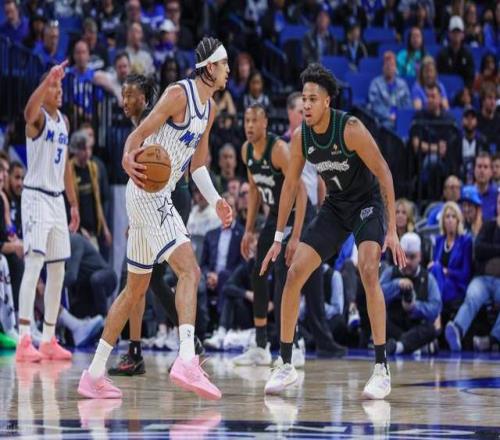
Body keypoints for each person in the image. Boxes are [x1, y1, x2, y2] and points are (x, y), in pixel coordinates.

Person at [77, 37, 232, 400]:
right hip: (149, 193)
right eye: (224, 64)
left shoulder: (208, 109)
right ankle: (187, 359)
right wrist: (126, 156)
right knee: (190, 271)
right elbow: (139, 132)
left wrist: (216, 200)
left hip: (156, 193)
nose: (228, 70)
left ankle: (93, 374)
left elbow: (198, 166)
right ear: (210, 67)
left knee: (135, 290)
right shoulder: (179, 94)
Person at [260, 63, 405, 398]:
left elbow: (383, 171)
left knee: (368, 270)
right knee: (294, 273)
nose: (306, 105)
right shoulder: (301, 137)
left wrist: (392, 231)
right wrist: (279, 238)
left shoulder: (350, 128)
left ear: (327, 101)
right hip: (337, 206)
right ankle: (285, 364)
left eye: (313, 99)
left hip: (367, 203)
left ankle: (381, 368)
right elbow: (290, 186)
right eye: (304, 99)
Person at [15, 60, 80, 363]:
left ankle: (49, 338)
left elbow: (65, 166)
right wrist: (46, 81)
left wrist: (73, 203)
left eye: (60, 86)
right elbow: (27, 112)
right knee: (34, 264)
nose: (59, 91)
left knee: (58, 269)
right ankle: (24, 337)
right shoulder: (37, 118)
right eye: (55, 86)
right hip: (36, 197)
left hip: (56, 201)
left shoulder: (63, 121)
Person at [445, 190, 500, 352]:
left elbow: (484, 250)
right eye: (499, 203)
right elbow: (479, 249)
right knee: (472, 296)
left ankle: (492, 339)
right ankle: (457, 329)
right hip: (482, 278)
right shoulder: (489, 225)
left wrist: (492, 251)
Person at [382, 232, 442, 355]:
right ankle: (416, 347)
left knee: (430, 328)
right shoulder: (390, 272)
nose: (408, 261)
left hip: (416, 325)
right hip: (394, 325)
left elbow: (436, 307)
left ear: (420, 256)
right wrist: (396, 285)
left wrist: (415, 307)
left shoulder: (428, 278)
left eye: (412, 257)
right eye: (404, 256)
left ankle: (400, 346)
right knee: (380, 320)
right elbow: (377, 294)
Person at [428, 202, 472, 325]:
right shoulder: (439, 241)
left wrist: (447, 271)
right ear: (443, 221)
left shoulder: (465, 241)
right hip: (441, 282)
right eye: (447, 217)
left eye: (453, 216)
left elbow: (465, 274)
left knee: (436, 269)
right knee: (434, 269)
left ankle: (436, 316)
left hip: (456, 285)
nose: (450, 220)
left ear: (458, 220)